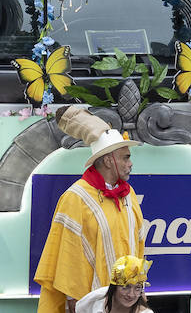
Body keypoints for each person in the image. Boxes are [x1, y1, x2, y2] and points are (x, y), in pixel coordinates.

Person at [33, 105, 145, 313]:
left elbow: (138, 249)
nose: (130, 163)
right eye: (126, 157)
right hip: (92, 305)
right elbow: (68, 260)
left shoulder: (129, 195)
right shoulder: (75, 197)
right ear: (108, 161)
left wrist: (137, 294)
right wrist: (76, 304)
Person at [73, 255, 150, 313]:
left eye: (137, 288)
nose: (131, 294)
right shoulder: (95, 298)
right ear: (114, 287)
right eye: (126, 287)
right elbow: (79, 308)